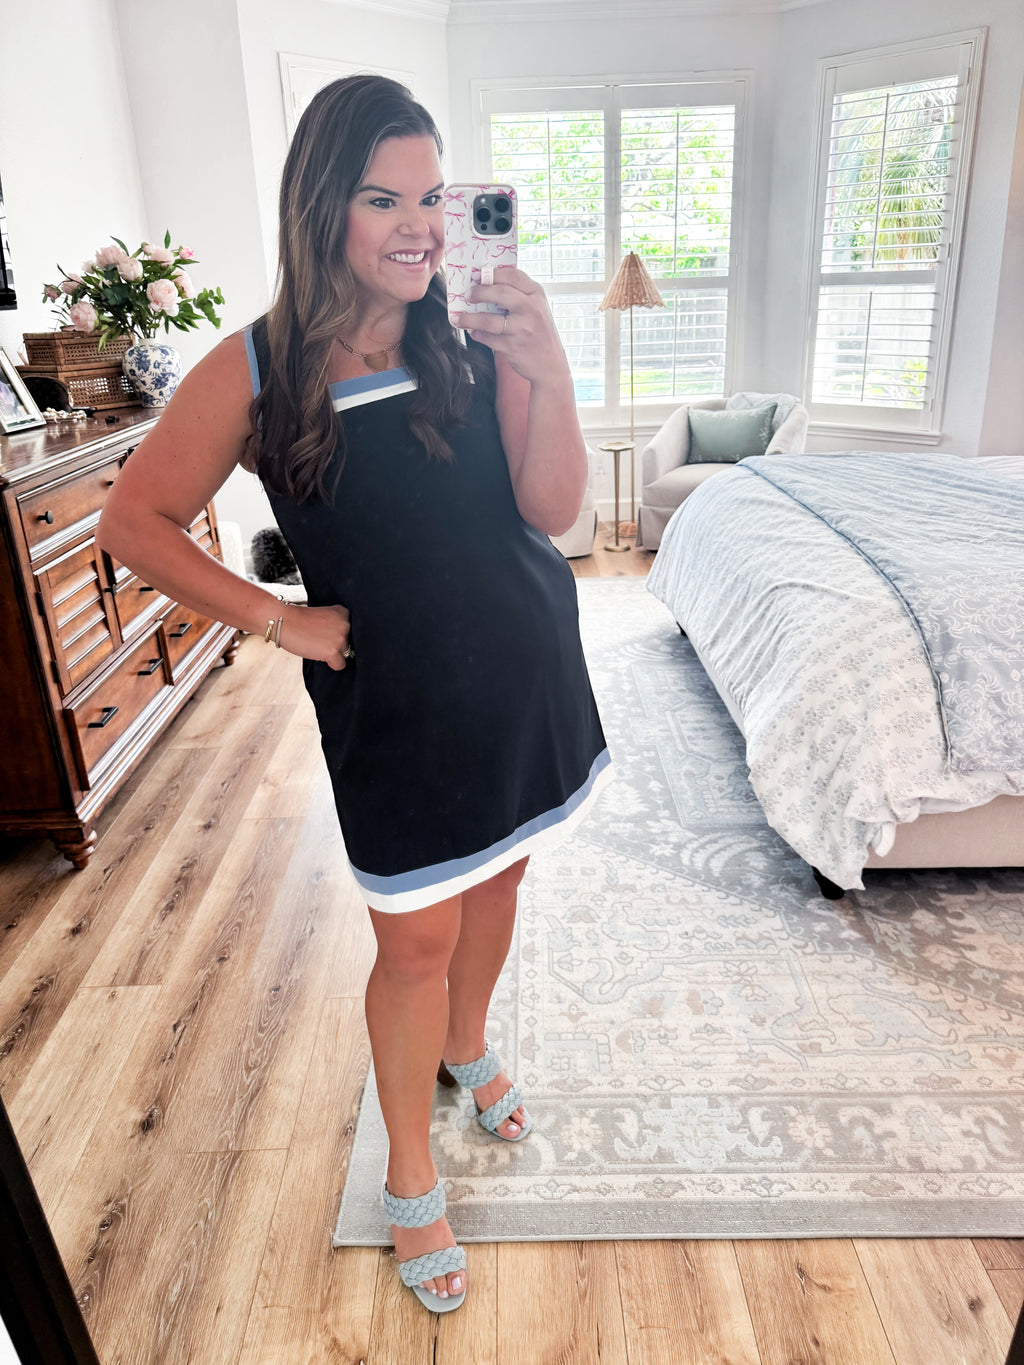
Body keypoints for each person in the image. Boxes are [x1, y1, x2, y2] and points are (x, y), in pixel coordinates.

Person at [97, 74, 610, 1314]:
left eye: (433, 197)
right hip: (395, 701)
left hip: (524, 664)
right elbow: (134, 522)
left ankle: (468, 1046)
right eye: (384, 199)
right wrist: (277, 619)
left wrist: (546, 365)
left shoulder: (473, 334)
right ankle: (410, 1173)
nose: (419, 227)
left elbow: (550, 511)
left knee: (501, 879)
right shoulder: (254, 367)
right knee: (413, 935)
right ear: (322, 206)